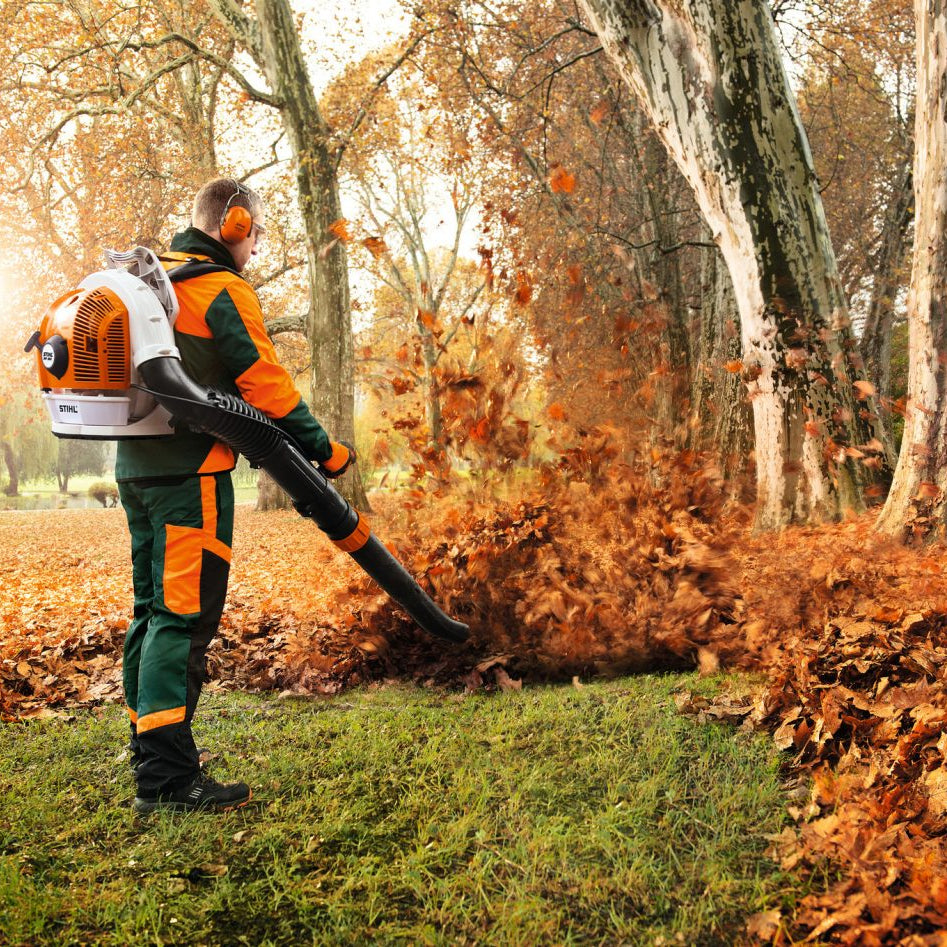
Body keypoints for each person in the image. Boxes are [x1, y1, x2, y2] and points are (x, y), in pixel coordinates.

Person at [117, 178, 354, 814]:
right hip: (191, 476)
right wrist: (327, 452)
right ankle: (167, 779)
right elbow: (265, 385)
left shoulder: (149, 279)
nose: (256, 247)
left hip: (135, 470)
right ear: (237, 223)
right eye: (257, 233)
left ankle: (150, 748)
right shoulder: (220, 288)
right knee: (183, 618)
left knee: (150, 610)